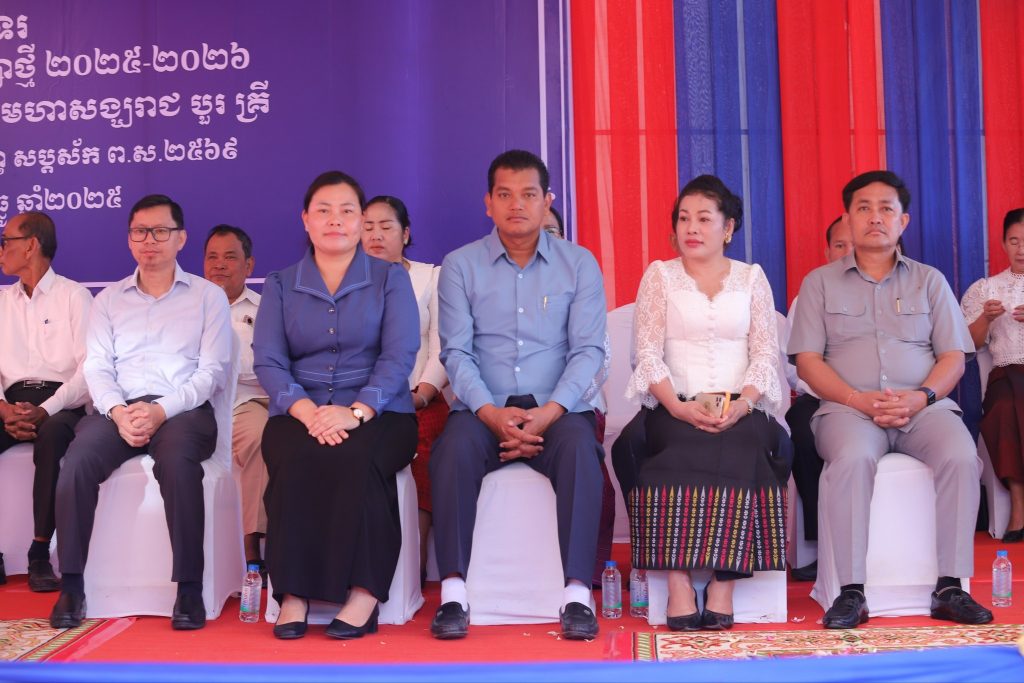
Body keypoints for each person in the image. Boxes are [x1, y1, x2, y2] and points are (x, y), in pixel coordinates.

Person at [789, 170, 991, 629]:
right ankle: (852, 592)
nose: (875, 218)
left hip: (924, 409)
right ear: (848, 218)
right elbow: (807, 361)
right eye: (864, 208)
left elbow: (953, 356)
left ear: (903, 220)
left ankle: (950, 588)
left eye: (886, 209)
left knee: (962, 456)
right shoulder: (819, 283)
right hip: (848, 410)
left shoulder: (930, 281)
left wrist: (922, 396)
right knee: (853, 458)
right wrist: (856, 399)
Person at [429, 150, 607, 641]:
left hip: (558, 408)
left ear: (547, 201)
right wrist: (491, 414)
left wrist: (549, 413)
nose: (516, 205)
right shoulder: (460, 265)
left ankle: (576, 595)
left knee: (581, 452)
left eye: (528, 194)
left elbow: (588, 351)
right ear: (488, 203)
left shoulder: (579, 264)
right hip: (484, 408)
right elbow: (456, 353)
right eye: (504, 195)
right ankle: (454, 594)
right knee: (452, 452)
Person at [49, 195, 233, 630]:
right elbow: (97, 366)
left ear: (180, 238)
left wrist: (160, 410)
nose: (149, 240)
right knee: (76, 461)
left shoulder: (208, 297)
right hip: (120, 409)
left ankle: (189, 588)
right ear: (129, 239)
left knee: (177, 463)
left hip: (183, 410)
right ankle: (71, 585)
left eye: (160, 231)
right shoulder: (108, 300)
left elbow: (212, 373)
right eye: (139, 232)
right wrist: (117, 410)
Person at [254, 171, 419, 641]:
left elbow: (400, 355)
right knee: (293, 457)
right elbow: (268, 360)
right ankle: (293, 593)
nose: (335, 220)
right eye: (323, 211)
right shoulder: (281, 283)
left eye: (347, 211)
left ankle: (365, 592)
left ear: (361, 221)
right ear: (305, 220)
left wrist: (357, 411)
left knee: (357, 455)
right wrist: (307, 411)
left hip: (381, 411)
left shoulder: (390, 278)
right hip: (299, 409)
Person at [627, 175, 788, 632]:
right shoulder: (660, 276)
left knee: (746, 442)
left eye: (703, 219)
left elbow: (765, 354)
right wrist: (678, 407)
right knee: (675, 444)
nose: (691, 228)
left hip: (742, 403)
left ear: (728, 227)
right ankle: (678, 579)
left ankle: (724, 581)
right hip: (673, 403)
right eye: (683, 219)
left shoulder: (752, 278)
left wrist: (745, 403)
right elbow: (647, 354)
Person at [0, 212, 92, 592]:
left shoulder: (74, 297)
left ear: (31, 246)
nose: (1, 250)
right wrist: (5, 410)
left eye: (5, 241)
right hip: (9, 402)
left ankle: (40, 552)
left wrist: (45, 409)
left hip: (61, 403)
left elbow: (89, 372)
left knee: (53, 436)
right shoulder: (1, 302)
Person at [361, 195, 448, 585]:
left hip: (419, 397)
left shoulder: (431, 278)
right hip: (360, 402)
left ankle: (413, 562)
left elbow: (444, 346)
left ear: (406, 233)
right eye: (368, 227)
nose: (376, 235)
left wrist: (422, 394)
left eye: (386, 227)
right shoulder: (346, 281)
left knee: (425, 444)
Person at [784, 216, 853, 582]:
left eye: (854, 244)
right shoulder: (808, 297)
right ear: (827, 252)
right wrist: (830, 390)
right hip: (820, 398)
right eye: (840, 245)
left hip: (877, 398)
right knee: (801, 429)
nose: (848, 252)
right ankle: (821, 545)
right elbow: (791, 367)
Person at [203, 224, 269, 579]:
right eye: (212, 257)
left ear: (249, 265)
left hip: (245, 404)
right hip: (194, 406)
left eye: (230, 257)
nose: (219, 265)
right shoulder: (188, 307)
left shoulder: (265, 310)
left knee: (261, 436)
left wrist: (226, 363)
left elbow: (266, 368)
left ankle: (251, 545)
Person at [962, 207, 1024, 542]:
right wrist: (985, 319)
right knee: (1003, 407)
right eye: (1014, 241)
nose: (1021, 249)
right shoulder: (986, 289)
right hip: (1006, 376)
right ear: (1003, 243)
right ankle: (1018, 503)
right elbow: (968, 345)